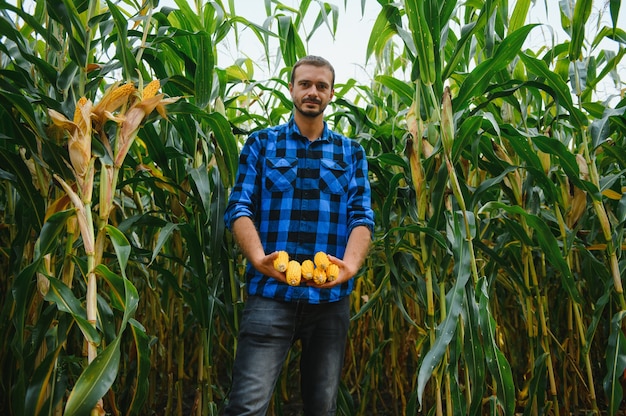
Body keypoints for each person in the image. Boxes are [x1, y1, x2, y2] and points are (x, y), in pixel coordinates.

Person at [223, 55, 375, 415]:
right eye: (305, 84)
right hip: (271, 295)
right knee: (247, 405)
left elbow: (362, 217)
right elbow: (239, 207)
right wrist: (259, 258)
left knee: (321, 407)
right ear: (291, 89)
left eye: (321, 86)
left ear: (332, 94)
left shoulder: (351, 153)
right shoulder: (262, 145)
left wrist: (350, 267)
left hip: (329, 301)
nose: (312, 92)